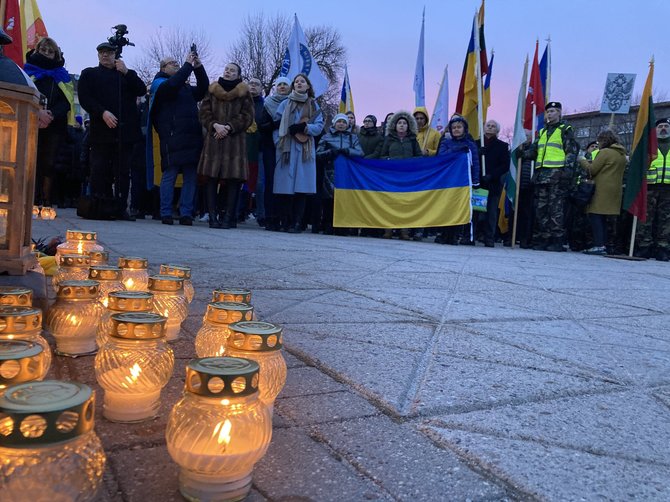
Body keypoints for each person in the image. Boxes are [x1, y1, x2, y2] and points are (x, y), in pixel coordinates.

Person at [77, 41, 147, 220]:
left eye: (108, 52)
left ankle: (121, 207)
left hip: (125, 132)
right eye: (101, 52)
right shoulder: (89, 74)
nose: (105, 56)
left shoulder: (124, 75)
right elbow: (85, 98)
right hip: (101, 131)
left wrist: (127, 72)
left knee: (123, 171)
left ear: (115, 55)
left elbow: (140, 89)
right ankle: (99, 204)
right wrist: (102, 112)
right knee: (99, 169)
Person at [149, 51, 208, 226]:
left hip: (191, 136)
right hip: (172, 137)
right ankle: (165, 212)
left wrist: (198, 67)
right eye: (171, 63)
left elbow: (203, 88)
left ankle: (186, 213)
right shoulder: (160, 84)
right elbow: (173, 85)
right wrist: (187, 65)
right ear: (162, 68)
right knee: (170, 174)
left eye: (177, 62)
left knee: (190, 176)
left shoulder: (185, 87)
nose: (176, 64)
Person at [198, 62, 254, 229]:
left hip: (234, 142)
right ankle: (213, 217)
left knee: (233, 180)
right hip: (214, 139)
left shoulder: (244, 93)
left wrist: (229, 127)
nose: (228, 72)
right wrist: (215, 125)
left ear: (238, 75)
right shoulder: (212, 90)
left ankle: (228, 217)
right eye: (227, 70)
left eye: (233, 71)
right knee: (211, 178)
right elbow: (204, 112)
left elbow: (247, 116)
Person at [24, 37, 75, 208]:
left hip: (54, 124)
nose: (47, 54)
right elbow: (25, 94)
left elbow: (66, 101)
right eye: (43, 50)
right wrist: (38, 112)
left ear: (56, 54)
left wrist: (50, 114)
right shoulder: (27, 71)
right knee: (30, 160)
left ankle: (45, 200)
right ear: (37, 50)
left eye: (50, 51)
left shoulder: (63, 76)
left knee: (49, 163)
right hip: (31, 120)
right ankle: (29, 197)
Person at [522, 101, 579, 251]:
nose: (550, 114)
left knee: (556, 209)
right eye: (548, 111)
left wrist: (567, 172)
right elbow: (534, 152)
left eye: (553, 111)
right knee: (541, 208)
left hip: (557, 175)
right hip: (541, 175)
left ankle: (557, 240)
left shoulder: (565, 129)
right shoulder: (542, 132)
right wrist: (523, 152)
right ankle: (543, 238)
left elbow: (571, 152)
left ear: (559, 113)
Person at [273, 73, 324, 233]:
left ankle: (297, 223)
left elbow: (319, 126)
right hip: (286, 148)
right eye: (296, 82)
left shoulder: (314, 105)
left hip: (304, 150)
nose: (299, 83)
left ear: (308, 86)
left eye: (302, 81)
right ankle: (284, 221)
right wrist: (278, 143)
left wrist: (305, 128)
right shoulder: (285, 104)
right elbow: (277, 125)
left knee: (301, 188)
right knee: (285, 188)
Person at [579, 130, 627, 255]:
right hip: (615, 189)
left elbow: (592, 170)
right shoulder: (621, 154)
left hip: (602, 189)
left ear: (604, 140)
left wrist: (582, 160)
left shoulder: (605, 152)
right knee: (606, 219)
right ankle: (606, 245)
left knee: (596, 216)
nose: (598, 144)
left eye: (599, 141)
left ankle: (599, 245)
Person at [436, 115, 481, 245]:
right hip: (448, 182)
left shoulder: (471, 145)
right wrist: (458, 150)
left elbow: (475, 164)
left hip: (464, 183)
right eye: (453, 127)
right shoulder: (445, 142)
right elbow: (442, 156)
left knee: (462, 208)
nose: (456, 129)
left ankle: (461, 236)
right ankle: (444, 234)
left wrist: (476, 180)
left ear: (464, 129)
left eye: (459, 127)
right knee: (447, 208)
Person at [378, 111, 422, 240]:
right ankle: (388, 230)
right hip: (392, 176)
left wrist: (412, 162)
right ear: (394, 125)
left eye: (404, 123)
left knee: (406, 203)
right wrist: (388, 160)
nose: (402, 125)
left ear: (409, 126)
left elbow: (419, 156)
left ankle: (404, 231)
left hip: (408, 176)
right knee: (390, 202)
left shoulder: (413, 140)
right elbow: (382, 156)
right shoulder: (389, 139)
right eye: (399, 123)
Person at [316, 113, 364, 234]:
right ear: (334, 123)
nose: (341, 124)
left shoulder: (353, 138)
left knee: (345, 200)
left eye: (344, 122)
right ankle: (328, 225)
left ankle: (342, 227)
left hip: (347, 173)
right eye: (339, 122)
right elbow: (318, 154)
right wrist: (330, 153)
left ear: (347, 124)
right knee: (328, 200)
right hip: (330, 172)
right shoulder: (326, 137)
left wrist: (348, 151)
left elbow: (360, 153)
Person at [258, 76, 291, 231]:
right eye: (280, 85)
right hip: (270, 147)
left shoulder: (293, 104)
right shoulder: (268, 103)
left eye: (285, 84)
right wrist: (279, 124)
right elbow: (262, 126)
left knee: (285, 182)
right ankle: (270, 217)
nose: (282, 87)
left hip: (288, 147)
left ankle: (283, 217)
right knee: (271, 182)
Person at [636, 118, 670, 260]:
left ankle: (663, 247)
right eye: (660, 126)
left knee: (666, 220)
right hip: (650, 187)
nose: (663, 129)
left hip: (668, 189)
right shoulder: (649, 146)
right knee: (646, 218)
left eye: (666, 126)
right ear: (655, 130)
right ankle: (644, 246)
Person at [479, 119, 510, 247]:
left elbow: (504, 165)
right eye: (488, 126)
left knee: (491, 212)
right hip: (479, 183)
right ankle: (471, 236)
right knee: (476, 212)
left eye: (493, 126)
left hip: (493, 183)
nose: (490, 128)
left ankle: (489, 237)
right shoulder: (477, 144)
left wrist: (492, 175)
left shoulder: (502, 146)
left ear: (497, 130)